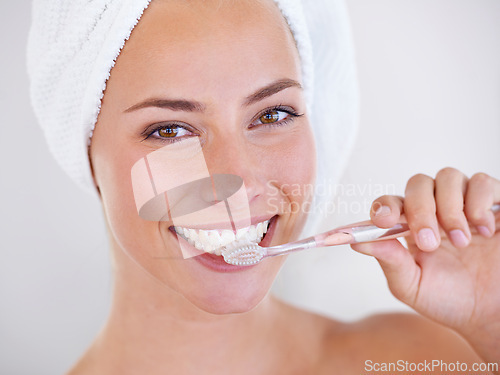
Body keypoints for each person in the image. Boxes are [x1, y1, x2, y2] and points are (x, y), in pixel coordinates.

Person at [27, 0, 500, 373]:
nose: (239, 181)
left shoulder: (427, 361)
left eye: (272, 115)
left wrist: (492, 322)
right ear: (87, 152)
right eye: (170, 130)